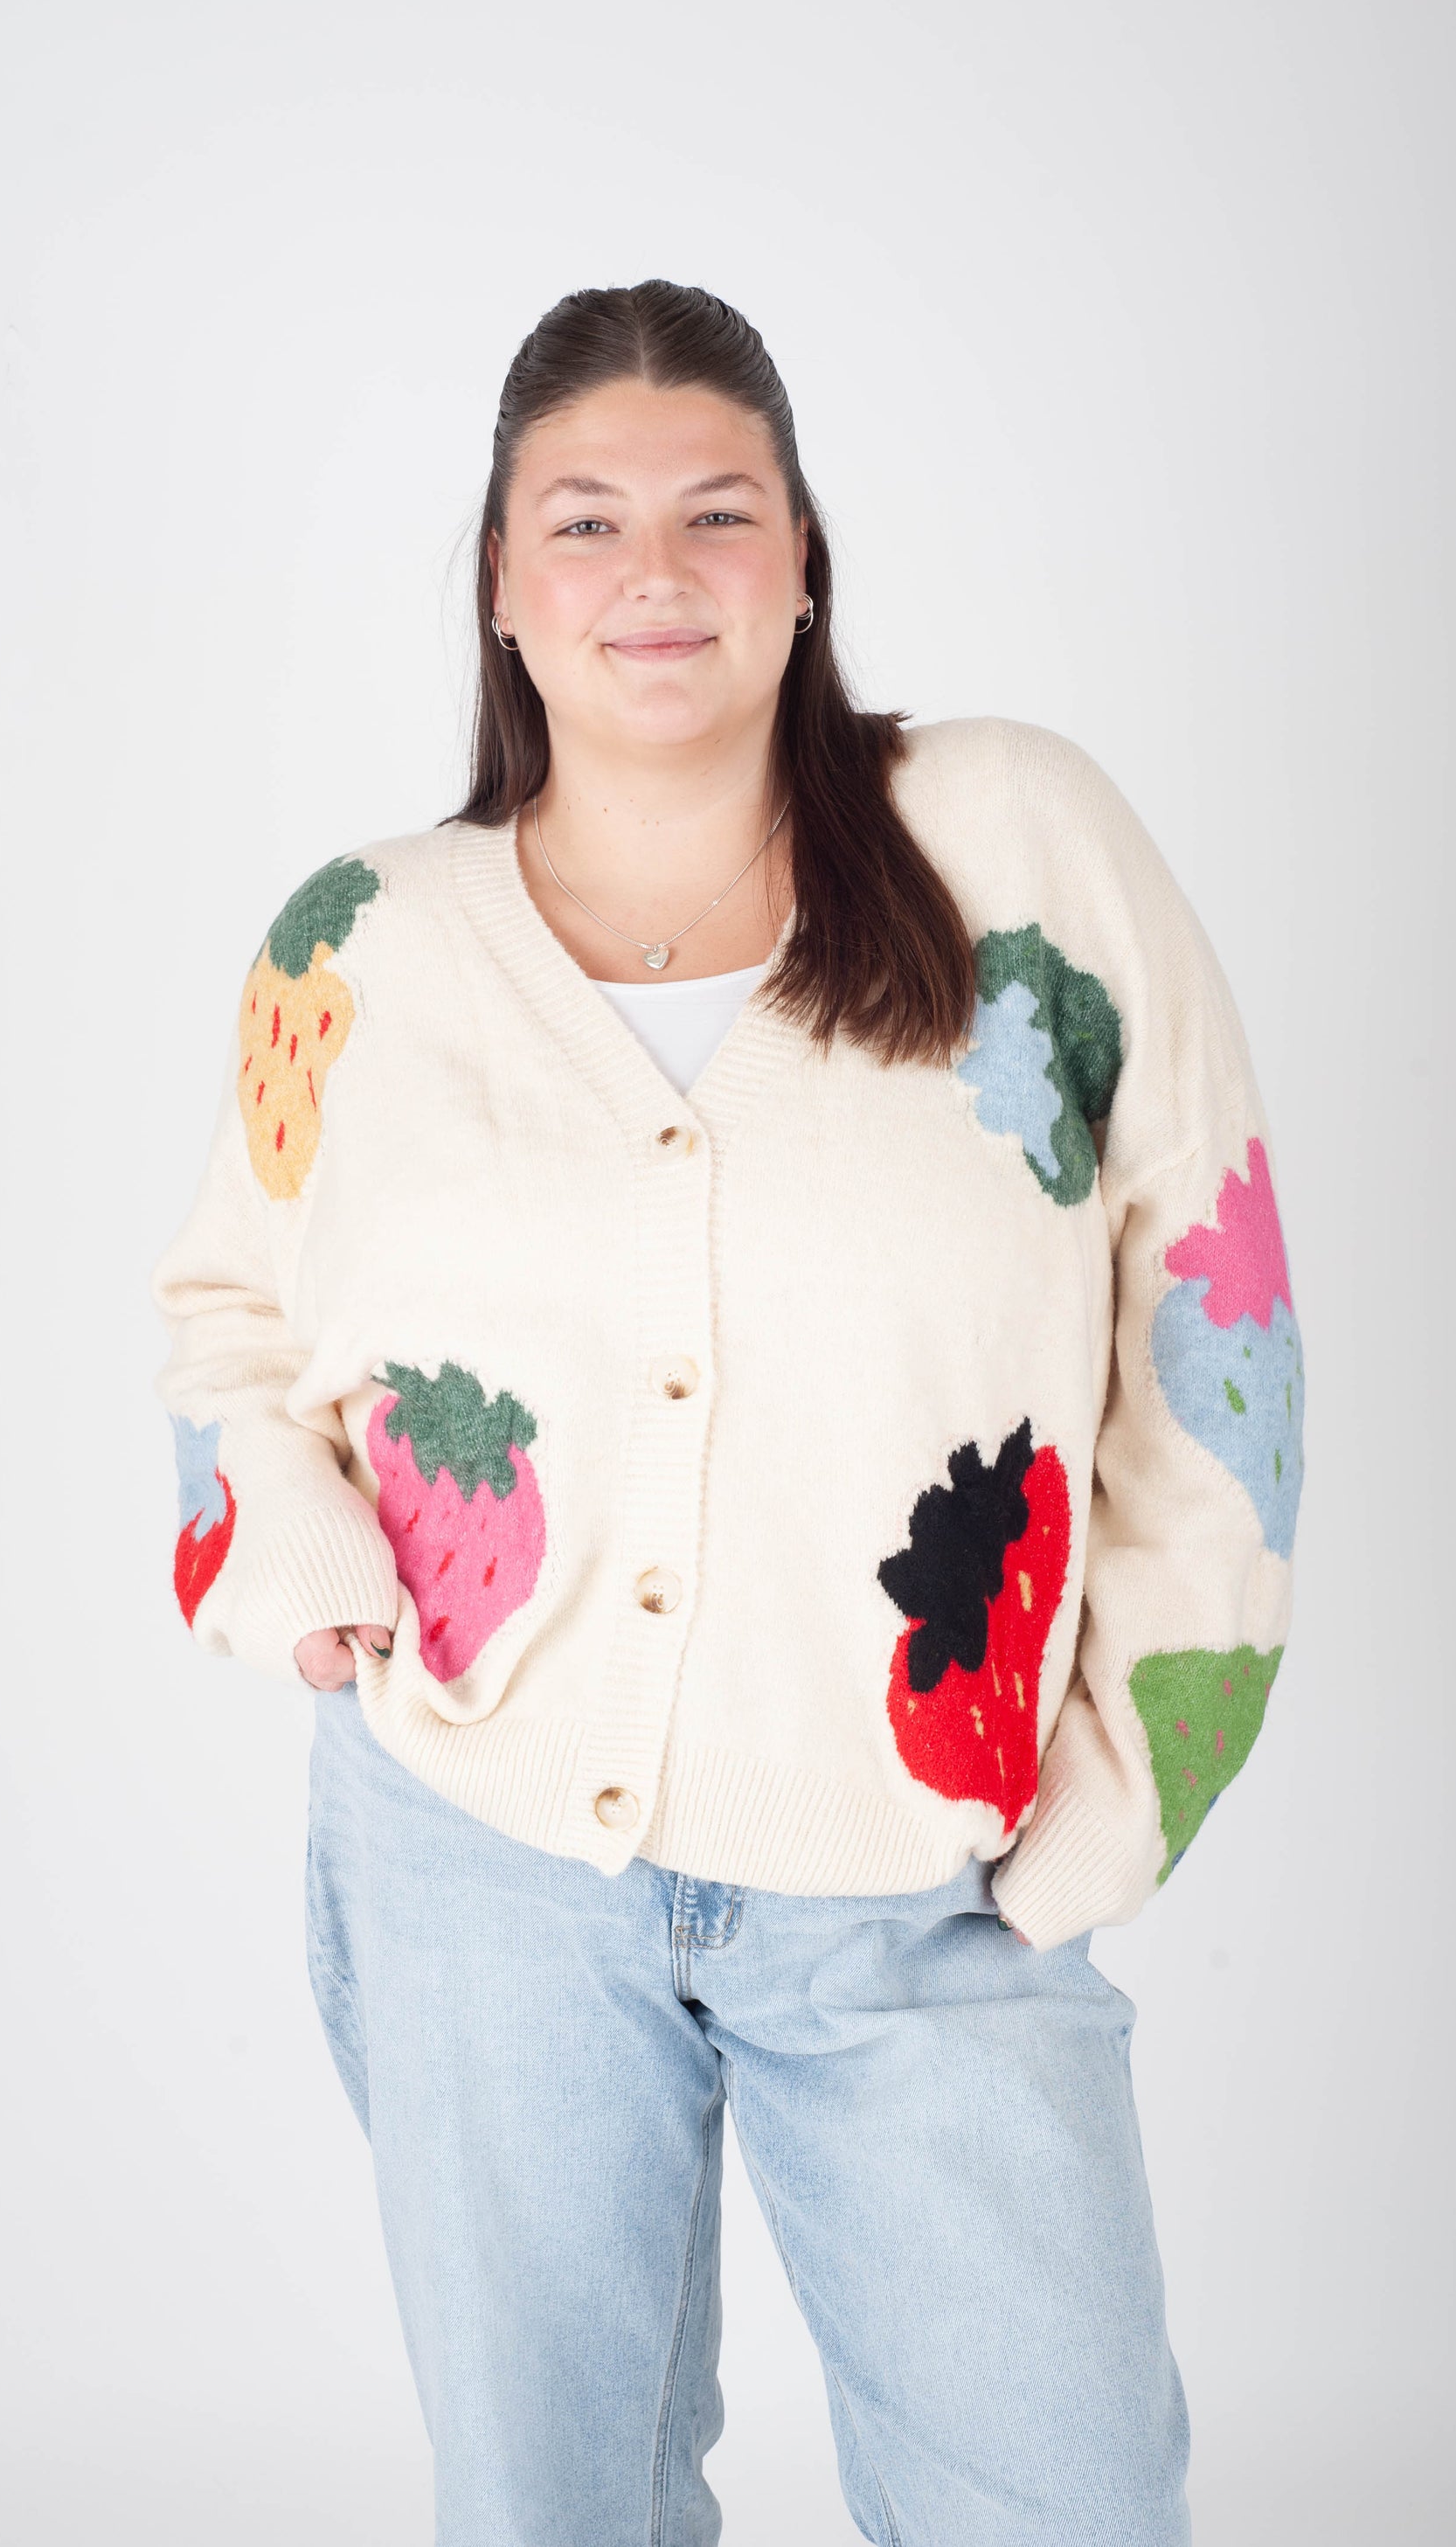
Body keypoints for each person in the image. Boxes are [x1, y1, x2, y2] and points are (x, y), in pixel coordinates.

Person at [149, 279, 1303, 2545]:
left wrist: (1129, 1773)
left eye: (716, 510)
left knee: (1060, 2502)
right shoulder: (358, 939)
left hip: (929, 1874)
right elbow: (225, 1319)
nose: (650, 571)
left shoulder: (1011, 842)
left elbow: (1219, 1304)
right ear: (501, 583)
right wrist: (293, 1570)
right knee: (549, 2509)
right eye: (581, 520)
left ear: (802, 564)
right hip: (477, 1857)